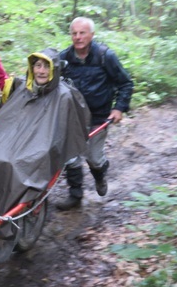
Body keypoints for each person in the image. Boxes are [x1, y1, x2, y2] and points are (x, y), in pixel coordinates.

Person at [0, 47, 89, 251]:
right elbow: (7, 119)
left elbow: (59, 136)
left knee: (11, 166)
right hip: (15, 140)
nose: (40, 71)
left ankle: (1, 228)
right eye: (37, 66)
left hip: (39, 149)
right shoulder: (25, 89)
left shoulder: (63, 96)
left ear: (54, 69)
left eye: (45, 67)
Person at [57, 17, 134, 211]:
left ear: (92, 35)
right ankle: (75, 195)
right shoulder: (64, 58)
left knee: (93, 157)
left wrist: (119, 108)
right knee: (71, 157)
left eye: (82, 33)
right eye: (74, 33)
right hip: (73, 116)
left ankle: (100, 174)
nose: (78, 37)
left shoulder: (105, 56)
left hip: (99, 116)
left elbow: (125, 83)